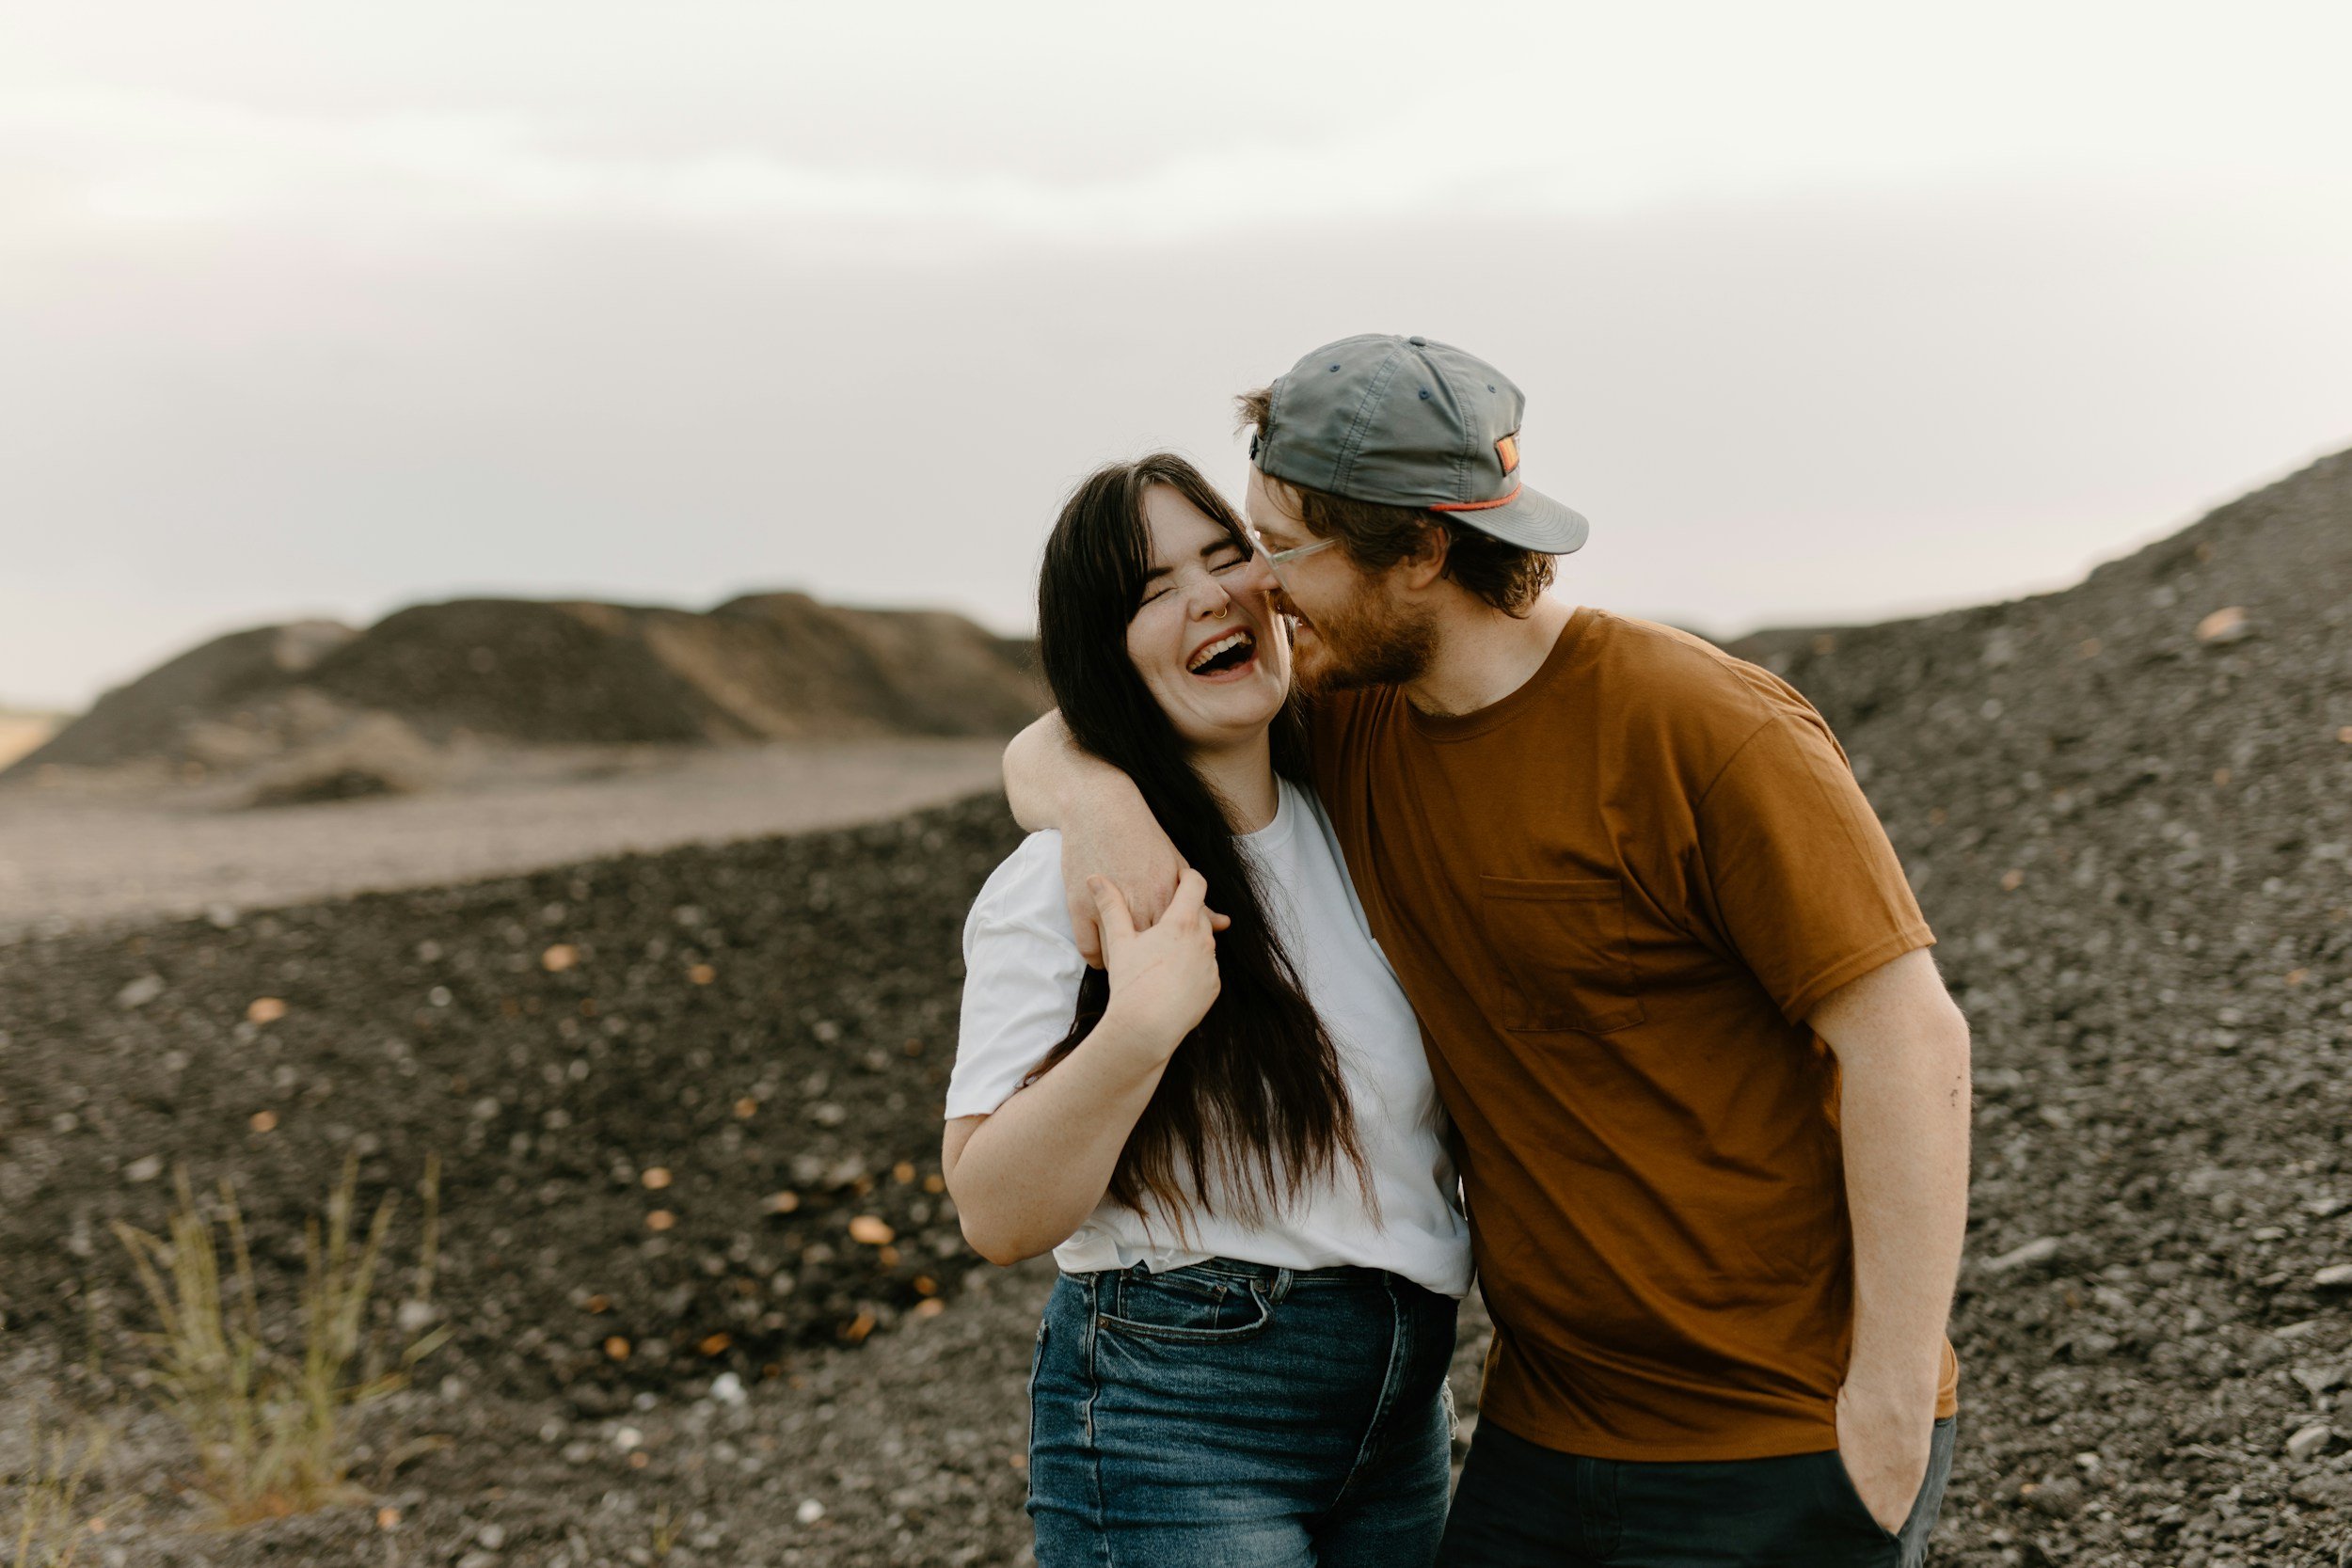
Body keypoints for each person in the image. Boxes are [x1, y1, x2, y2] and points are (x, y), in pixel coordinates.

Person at [1004, 335, 1974, 1568]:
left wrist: (1887, 1399)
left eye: (1283, 546)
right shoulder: (1353, 716)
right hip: (1542, 1435)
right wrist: (1088, 797)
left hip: (1772, 1430)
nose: (1261, 586)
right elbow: (1096, 707)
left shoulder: (1704, 728)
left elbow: (1909, 1038)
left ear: (1418, 550)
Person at [945, 451, 1475, 1568]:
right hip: (1179, 1413)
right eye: (1150, 591)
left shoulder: (1361, 809)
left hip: (1400, 1407)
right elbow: (992, 1210)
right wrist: (1139, 1028)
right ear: (1102, 654)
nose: (1207, 597)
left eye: (1226, 554)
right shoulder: (1058, 883)